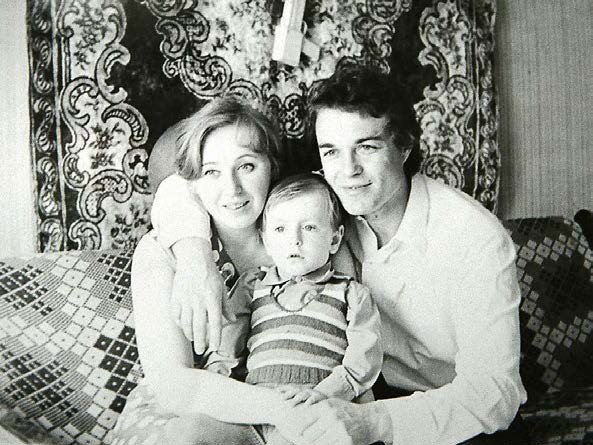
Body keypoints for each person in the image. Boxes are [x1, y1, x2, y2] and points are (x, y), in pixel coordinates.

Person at [150, 64, 530, 444]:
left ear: (405, 146)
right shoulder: (328, 201)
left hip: (446, 420)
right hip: (351, 400)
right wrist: (194, 257)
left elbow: (495, 393)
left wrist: (375, 422)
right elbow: (179, 184)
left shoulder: (473, 237)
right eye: (331, 151)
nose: (348, 170)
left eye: (367, 147)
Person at [111, 96, 309, 445]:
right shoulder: (161, 252)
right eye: (211, 172)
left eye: (246, 166)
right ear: (191, 182)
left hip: (291, 402)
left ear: (272, 167)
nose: (232, 189)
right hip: (189, 410)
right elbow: (173, 385)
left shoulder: (301, 234)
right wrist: (281, 410)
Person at [207, 173, 383, 444]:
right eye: (280, 229)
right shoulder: (254, 286)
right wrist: (216, 377)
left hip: (313, 408)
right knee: (188, 431)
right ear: (266, 240)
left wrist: (326, 393)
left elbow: (364, 359)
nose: (295, 240)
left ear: (334, 240)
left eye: (309, 227)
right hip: (254, 408)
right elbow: (228, 342)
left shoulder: (351, 294)